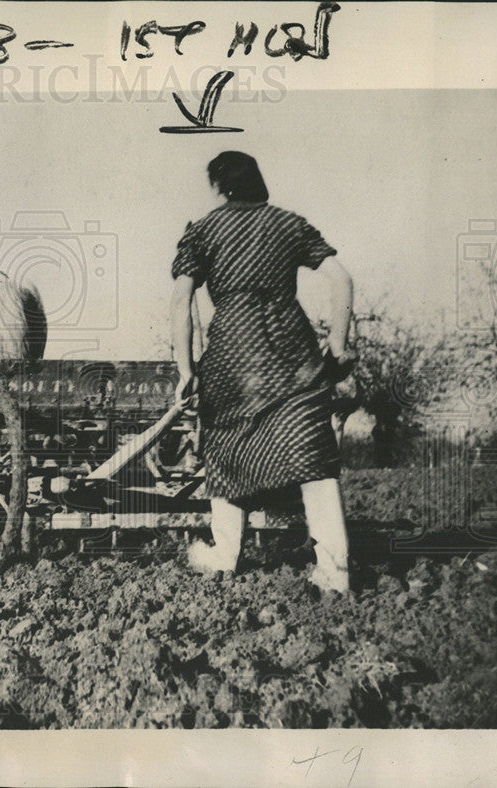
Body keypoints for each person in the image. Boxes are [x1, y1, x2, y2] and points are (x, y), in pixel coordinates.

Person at [170, 151, 355, 594]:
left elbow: (181, 302)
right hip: (293, 355)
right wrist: (338, 345)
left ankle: (223, 557)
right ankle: (335, 572)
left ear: (220, 187)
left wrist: (185, 368)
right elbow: (342, 280)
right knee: (313, 459)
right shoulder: (289, 224)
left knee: (227, 452)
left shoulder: (204, 231)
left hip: (232, 358)